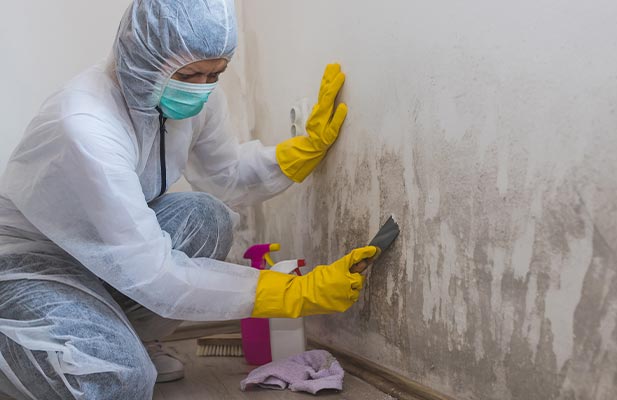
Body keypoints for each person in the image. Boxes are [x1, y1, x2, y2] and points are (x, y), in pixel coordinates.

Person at [0, 0, 377, 398]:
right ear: (143, 57)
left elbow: (226, 174)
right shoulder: (85, 123)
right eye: (190, 74)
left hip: (106, 255)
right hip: (35, 262)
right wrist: (291, 292)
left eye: (216, 72)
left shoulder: (196, 94)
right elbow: (154, 275)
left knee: (206, 216)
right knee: (119, 379)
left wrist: (300, 152)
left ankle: (125, 340)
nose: (201, 88)